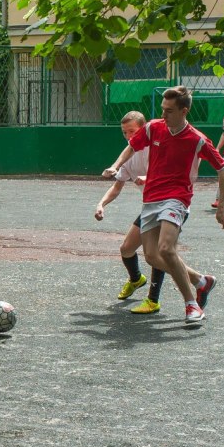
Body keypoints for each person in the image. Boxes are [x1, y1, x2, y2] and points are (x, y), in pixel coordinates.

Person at [103, 86, 224, 324]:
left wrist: (222, 206)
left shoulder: (197, 140)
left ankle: (191, 305)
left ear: (184, 111)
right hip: (151, 199)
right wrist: (115, 165)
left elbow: (223, 169)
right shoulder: (153, 127)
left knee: (165, 249)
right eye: (162, 109)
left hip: (177, 198)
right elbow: (132, 146)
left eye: (169, 111)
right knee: (151, 256)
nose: (164, 115)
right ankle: (202, 281)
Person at [95, 111, 167, 314]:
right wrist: (101, 204)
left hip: (168, 204)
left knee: (156, 253)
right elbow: (117, 187)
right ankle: (136, 279)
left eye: (132, 131)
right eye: (124, 132)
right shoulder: (128, 156)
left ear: (144, 130)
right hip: (150, 207)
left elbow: (171, 173)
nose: (128, 136)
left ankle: (153, 300)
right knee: (126, 249)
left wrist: (149, 177)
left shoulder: (157, 148)